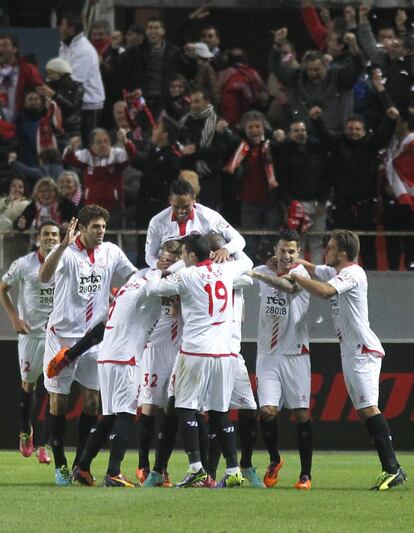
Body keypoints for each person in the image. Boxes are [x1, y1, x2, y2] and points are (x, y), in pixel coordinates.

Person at [290, 229, 407, 491]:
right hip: (351, 350)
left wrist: (297, 276)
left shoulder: (353, 273)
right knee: (364, 411)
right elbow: (315, 269)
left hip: (362, 351)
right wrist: (295, 262)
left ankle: (393, 468)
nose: (325, 252)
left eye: (329, 248)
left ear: (342, 254)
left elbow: (325, 291)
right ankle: (391, 468)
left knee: (368, 409)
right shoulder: (337, 271)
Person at [38, 205, 137, 485]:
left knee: (93, 399)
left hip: (93, 338)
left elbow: (133, 277)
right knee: (59, 399)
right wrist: (61, 247)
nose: (101, 231)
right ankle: (60, 465)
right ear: (81, 228)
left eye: (103, 226)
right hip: (62, 336)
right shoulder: (67, 253)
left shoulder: (111, 253)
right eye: (95, 226)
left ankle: (82, 463)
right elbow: (44, 277)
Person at [146, 233, 253, 488]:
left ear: (192, 255)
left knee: (184, 407)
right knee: (220, 411)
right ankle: (233, 470)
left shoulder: (187, 275)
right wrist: (227, 250)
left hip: (196, 352)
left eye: (184, 254)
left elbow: (155, 288)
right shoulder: (225, 271)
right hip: (225, 355)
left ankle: (196, 468)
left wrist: (157, 270)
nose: (182, 257)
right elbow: (247, 262)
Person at [71, 269, 162, 488]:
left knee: (109, 416)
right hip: (126, 359)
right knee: (125, 414)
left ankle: (82, 467)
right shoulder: (148, 287)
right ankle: (113, 473)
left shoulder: (127, 288)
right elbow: (157, 287)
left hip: (107, 357)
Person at [248, 229, 313, 489]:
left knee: (300, 414)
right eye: (282, 250)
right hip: (267, 353)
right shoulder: (260, 270)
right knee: (267, 411)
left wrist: (260, 275)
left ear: (298, 253)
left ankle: (306, 475)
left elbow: (288, 286)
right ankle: (275, 459)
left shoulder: (302, 274)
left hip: (295, 353)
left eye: (291, 251)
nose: (286, 256)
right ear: (275, 250)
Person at [0, 221, 61, 464]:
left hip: (56, 336)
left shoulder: (68, 262)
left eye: (55, 234)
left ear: (60, 238)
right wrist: (14, 318)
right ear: (39, 238)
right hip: (30, 335)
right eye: (46, 234)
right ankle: (26, 430)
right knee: (29, 385)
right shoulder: (24, 264)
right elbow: (3, 288)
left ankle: (45, 444)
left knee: (55, 390)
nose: (50, 238)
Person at [136, 239, 182, 485]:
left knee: (173, 407)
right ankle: (142, 464)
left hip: (181, 349)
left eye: (172, 259)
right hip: (155, 347)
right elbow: (144, 290)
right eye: (163, 258)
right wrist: (159, 270)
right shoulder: (148, 275)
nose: (167, 262)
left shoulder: (187, 277)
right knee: (149, 406)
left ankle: (161, 467)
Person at [145, 179, 245, 268]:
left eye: (185, 206)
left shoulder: (209, 216)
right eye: (176, 206)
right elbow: (149, 256)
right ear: (170, 200)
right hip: (171, 268)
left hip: (201, 267)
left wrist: (226, 249)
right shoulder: (157, 222)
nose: (181, 211)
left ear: (194, 199)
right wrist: (157, 264)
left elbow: (239, 239)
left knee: (217, 241)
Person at [274, 120, 330, 264]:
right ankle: (299, 275)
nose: (300, 133)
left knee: (317, 240)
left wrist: (323, 201)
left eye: (302, 130)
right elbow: (281, 180)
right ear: (289, 134)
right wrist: (289, 203)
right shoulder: (284, 151)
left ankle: (316, 273)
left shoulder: (317, 149)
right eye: (296, 130)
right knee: (298, 241)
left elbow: (325, 177)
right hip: (295, 204)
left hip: (317, 203)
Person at [63, 128, 137, 228]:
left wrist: (125, 141)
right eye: (99, 142)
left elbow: (132, 154)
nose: (103, 145)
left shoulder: (116, 155)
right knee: (92, 240)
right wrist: (71, 147)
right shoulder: (86, 156)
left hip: (114, 209)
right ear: (92, 145)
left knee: (112, 239)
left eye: (106, 141)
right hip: (91, 209)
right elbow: (68, 159)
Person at [58, 14, 105, 145]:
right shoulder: (64, 47)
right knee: (74, 145)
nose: (59, 28)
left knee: (91, 145)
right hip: (74, 104)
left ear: (72, 29)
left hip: (90, 104)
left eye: (62, 25)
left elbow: (74, 81)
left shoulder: (84, 49)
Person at [0, 33, 43, 123]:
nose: (1, 49)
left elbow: (41, 92)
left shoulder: (28, 70)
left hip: (23, 121)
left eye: (5, 45)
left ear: (15, 49)